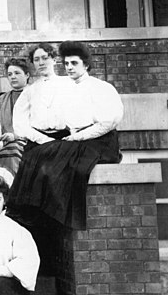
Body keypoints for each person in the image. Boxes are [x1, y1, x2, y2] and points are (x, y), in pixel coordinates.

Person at [8, 40, 123, 231]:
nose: (69, 67)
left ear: (85, 64)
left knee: (51, 157)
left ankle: (51, 212)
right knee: (38, 156)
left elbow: (108, 121)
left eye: (74, 63)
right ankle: (30, 210)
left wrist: (76, 136)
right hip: (71, 138)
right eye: (67, 64)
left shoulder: (97, 87)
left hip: (98, 140)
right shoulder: (62, 88)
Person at [12, 42, 76, 146]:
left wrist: (73, 135)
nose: (41, 63)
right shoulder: (29, 91)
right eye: (36, 60)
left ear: (54, 60)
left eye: (45, 58)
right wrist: (43, 140)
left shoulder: (69, 84)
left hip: (67, 138)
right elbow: (20, 123)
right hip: (38, 141)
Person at [0, 58, 31, 176]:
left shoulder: (35, 96)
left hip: (30, 142)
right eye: (10, 74)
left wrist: (16, 136)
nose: (12, 77)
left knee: (12, 151)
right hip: (5, 143)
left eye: (17, 73)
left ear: (27, 75)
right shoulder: (0, 101)